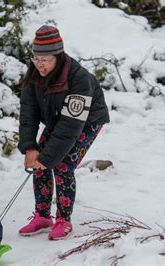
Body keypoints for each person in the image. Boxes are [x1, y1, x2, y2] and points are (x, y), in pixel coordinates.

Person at [17, 25, 110, 240]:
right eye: (36, 59)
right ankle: (42, 216)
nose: (40, 65)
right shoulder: (33, 75)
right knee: (38, 161)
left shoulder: (79, 79)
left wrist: (48, 156)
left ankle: (63, 220)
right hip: (58, 119)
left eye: (46, 60)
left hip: (86, 121)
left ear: (57, 57)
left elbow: (71, 125)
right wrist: (30, 147)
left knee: (61, 164)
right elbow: (28, 114)